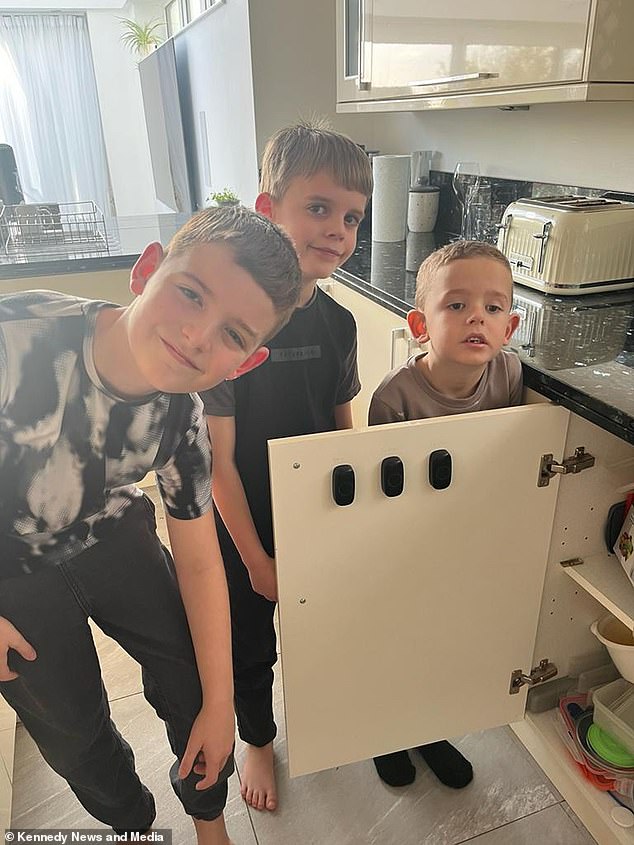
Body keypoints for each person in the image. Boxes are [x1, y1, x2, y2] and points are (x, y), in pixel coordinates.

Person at [0, 206, 302, 845]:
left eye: (232, 335)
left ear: (243, 365)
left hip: (107, 532)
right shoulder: (15, 336)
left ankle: (209, 822)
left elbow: (198, 561)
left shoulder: (184, 421)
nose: (197, 337)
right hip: (8, 566)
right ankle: (133, 827)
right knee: (73, 731)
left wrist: (221, 707)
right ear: (146, 271)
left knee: (197, 682)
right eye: (190, 294)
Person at [201, 120, 373, 813]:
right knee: (249, 644)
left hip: (316, 512)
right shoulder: (234, 321)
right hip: (241, 521)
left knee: (317, 628)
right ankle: (258, 737)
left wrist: (350, 515)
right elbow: (217, 462)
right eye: (319, 208)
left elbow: (342, 426)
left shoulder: (340, 325)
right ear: (268, 210)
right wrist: (254, 559)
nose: (337, 229)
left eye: (352, 217)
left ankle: (323, 716)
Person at [368, 239, 522, 789]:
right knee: (397, 640)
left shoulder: (509, 378)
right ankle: (385, 732)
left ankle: (429, 728)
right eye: (455, 305)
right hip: (405, 548)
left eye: (493, 307)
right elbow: (380, 498)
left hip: (465, 545)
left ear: (511, 325)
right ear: (420, 323)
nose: (476, 316)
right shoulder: (394, 398)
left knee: (440, 644)